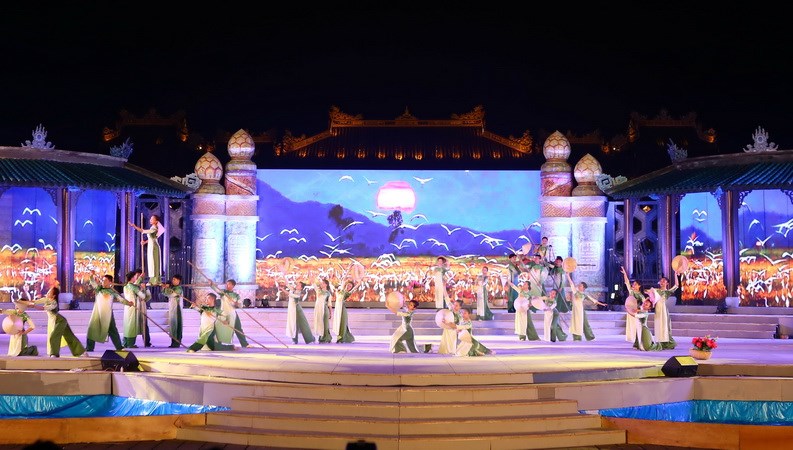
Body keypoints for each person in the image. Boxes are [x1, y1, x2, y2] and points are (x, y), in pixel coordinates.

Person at [33, 285, 87, 357]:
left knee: (54, 336)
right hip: (59, 320)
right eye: (48, 292)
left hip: (60, 321)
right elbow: (35, 301)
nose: (47, 293)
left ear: (53, 296)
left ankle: (54, 353)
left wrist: (33, 306)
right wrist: (23, 302)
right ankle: (81, 351)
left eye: (49, 292)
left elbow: (43, 308)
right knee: (69, 336)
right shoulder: (46, 300)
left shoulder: (54, 303)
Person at [86, 274, 132, 352]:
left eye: (105, 280)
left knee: (113, 331)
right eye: (102, 280)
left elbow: (121, 299)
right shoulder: (98, 289)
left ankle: (119, 347)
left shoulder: (112, 292)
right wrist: (91, 275)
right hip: (97, 313)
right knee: (91, 329)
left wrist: (128, 303)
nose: (103, 282)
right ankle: (89, 347)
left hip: (108, 314)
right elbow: (93, 282)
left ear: (110, 282)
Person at [566, 272, 607, 341]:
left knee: (585, 323)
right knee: (575, 323)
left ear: (583, 288)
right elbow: (571, 284)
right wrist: (568, 275)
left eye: (581, 286)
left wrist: (602, 304)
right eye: (579, 285)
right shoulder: (575, 291)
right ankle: (576, 338)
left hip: (580, 310)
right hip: (575, 310)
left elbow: (593, 300)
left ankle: (590, 337)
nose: (579, 286)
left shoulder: (584, 295)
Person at [211, 279, 249, 348]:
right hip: (223, 313)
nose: (227, 285)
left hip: (232, 314)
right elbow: (216, 290)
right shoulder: (223, 292)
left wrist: (237, 304)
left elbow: (240, 305)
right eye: (226, 284)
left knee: (238, 328)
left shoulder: (236, 295)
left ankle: (245, 344)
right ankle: (218, 343)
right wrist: (212, 284)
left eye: (228, 284)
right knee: (219, 327)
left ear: (233, 285)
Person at [128, 215, 164, 286]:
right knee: (151, 263)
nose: (150, 220)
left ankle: (155, 280)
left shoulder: (154, 228)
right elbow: (151, 238)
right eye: (150, 218)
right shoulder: (152, 228)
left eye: (152, 219)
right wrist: (144, 242)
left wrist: (134, 226)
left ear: (156, 221)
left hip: (154, 248)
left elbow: (143, 231)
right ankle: (152, 280)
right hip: (151, 246)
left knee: (154, 263)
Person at [122, 271, 151, 349]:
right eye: (135, 276)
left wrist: (140, 279)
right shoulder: (133, 287)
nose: (136, 278)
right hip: (134, 308)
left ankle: (125, 342)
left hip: (128, 307)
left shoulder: (126, 286)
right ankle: (130, 343)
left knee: (127, 325)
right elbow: (143, 296)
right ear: (132, 278)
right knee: (132, 325)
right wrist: (143, 289)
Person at [652, 275, 679, 350]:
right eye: (661, 281)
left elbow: (676, 285)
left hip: (663, 310)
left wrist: (675, 274)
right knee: (658, 325)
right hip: (657, 310)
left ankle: (667, 342)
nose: (662, 282)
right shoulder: (656, 290)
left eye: (664, 281)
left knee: (665, 326)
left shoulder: (667, 292)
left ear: (667, 283)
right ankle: (659, 342)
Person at [547, 257, 570, 341]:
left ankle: (558, 309)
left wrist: (561, 287)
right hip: (555, 286)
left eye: (559, 262)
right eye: (556, 261)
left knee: (559, 299)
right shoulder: (555, 269)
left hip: (559, 287)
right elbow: (550, 273)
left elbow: (563, 279)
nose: (557, 263)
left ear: (561, 262)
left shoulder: (562, 270)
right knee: (554, 298)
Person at [620, 266, 645, 343]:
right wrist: (624, 274)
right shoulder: (631, 291)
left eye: (635, 284)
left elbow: (644, 305)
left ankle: (636, 338)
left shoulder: (641, 295)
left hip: (636, 312)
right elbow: (627, 282)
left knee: (635, 325)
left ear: (639, 286)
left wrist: (638, 309)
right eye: (633, 284)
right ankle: (631, 338)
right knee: (630, 324)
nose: (633, 285)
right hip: (630, 310)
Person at [161, 274, 185, 348]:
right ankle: (173, 342)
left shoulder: (179, 289)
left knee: (176, 325)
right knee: (172, 325)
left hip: (177, 309)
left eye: (174, 279)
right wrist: (164, 288)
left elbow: (171, 295)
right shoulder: (173, 287)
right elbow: (165, 293)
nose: (173, 281)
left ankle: (176, 343)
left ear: (178, 280)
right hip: (172, 309)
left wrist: (167, 288)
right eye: (173, 279)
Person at [332, 279, 357, 343]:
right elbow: (343, 281)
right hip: (337, 309)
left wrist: (359, 283)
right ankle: (340, 338)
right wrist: (347, 272)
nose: (349, 287)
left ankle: (342, 338)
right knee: (338, 324)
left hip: (342, 310)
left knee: (343, 324)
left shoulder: (347, 293)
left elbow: (354, 288)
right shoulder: (341, 290)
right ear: (346, 285)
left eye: (350, 287)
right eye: (348, 285)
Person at [311, 278, 333, 343]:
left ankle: (326, 338)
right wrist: (310, 274)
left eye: (323, 283)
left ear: (326, 285)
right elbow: (313, 283)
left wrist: (331, 313)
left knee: (325, 324)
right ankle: (321, 337)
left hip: (324, 309)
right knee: (320, 323)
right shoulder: (318, 290)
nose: (321, 284)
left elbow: (329, 304)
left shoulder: (328, 293)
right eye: (321, 283)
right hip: (318, 309)